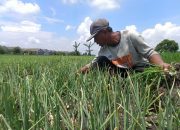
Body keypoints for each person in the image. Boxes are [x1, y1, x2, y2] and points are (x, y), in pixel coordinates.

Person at [79, 18, 170, 77]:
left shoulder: (130, 36)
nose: (95, 41)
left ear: (105, 32)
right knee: (101, 61)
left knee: (147, 71)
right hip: (124, 74)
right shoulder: (104, 50)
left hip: (140, 69)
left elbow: (149, 53)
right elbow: (92, 64)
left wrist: (161, 65)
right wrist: (78, 73)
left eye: (96, 37)